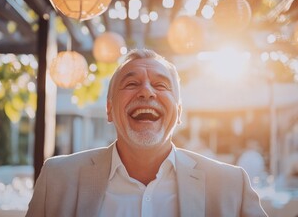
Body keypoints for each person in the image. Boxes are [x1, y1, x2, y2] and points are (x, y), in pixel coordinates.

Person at [26, 49, 267, 217]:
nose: (146, 92)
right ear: (109, 110)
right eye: (131, 84)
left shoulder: (230, 185)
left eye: (161, 85)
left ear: (179, 111)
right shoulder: (57, 179)